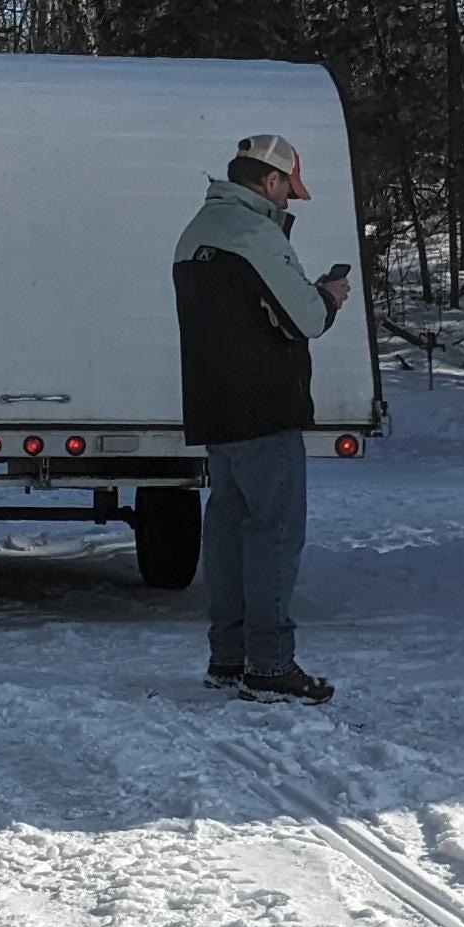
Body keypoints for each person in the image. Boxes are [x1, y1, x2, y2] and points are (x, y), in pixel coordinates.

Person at [172, 133, 352, 703]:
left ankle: (227, 658)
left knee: (225, 534)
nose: (288, 204)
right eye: (288, 192)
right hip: (265, 405)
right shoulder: (255, 233)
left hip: (214, 408)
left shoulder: (196, 231)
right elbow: (305, 318)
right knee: (273, 535)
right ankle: (271, 665)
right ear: (270, 181)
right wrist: (328, 294)